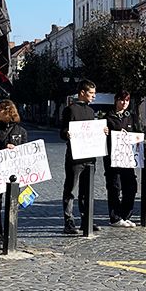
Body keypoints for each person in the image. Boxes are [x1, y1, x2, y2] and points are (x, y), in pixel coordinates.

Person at [60, 80, 101, 234]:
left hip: (89, 156)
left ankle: (86, 219)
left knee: (87, 190)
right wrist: (67, 133)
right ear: (82, 93)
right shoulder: (70, 110)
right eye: (91, 93)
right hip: (75, 157)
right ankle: (68, 221)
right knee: (70, 189)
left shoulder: (91, 111)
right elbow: (62, 131)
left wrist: (101, 132)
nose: (94, 96)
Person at [0, 99, 28, 246]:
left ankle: (10, 235)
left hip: (13, 175)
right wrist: (1, 148)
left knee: (12, 204)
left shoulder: (20, 131)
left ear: (8, 111)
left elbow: (25, 154)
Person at [104, 91, 141, 227]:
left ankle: (125, 215)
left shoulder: (131, 116)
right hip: (113, 158)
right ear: (116, 100)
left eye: (127, 100)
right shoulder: (108, 117)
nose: (124, 103)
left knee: (130, 186)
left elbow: (139, 134)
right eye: (121, 100)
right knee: (115, 187)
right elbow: (102, 136)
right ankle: (115, 217)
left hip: (128, 158)